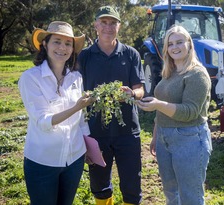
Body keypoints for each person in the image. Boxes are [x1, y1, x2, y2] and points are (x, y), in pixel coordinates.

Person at [18, 21, 94, 205]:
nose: (62, 48)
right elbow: (43, 121)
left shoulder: (76, 77)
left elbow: (82, 119)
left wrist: (89, 146)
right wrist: (76, 106)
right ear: (45, 44)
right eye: (57, 41)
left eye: (68, 44)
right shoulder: (31, 78)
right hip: (43, 162)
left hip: (74, 159)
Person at [137, 25, 213, 205]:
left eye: (179, 42)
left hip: (189, 139)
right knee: (171, 193)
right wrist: (156, 135)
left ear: (189, 44)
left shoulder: (197, 74)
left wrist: (158, 104)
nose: (174, 47)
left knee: (190, 196)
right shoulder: (169, 73)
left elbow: (190, 112)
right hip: (165, 138)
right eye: (170, 44)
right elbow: (162, 107)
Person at [77, 5, 145, 205]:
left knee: (132, 184)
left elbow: (140, 89)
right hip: (96, 132)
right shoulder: (85, 56)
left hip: (128, 132)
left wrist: (132, 93)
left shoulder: (130, 54)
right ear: (96, 25)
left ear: (119, 26)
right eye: (104, 22)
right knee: (99, 184)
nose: (108, 27)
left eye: (113, 22)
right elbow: (75, 90)